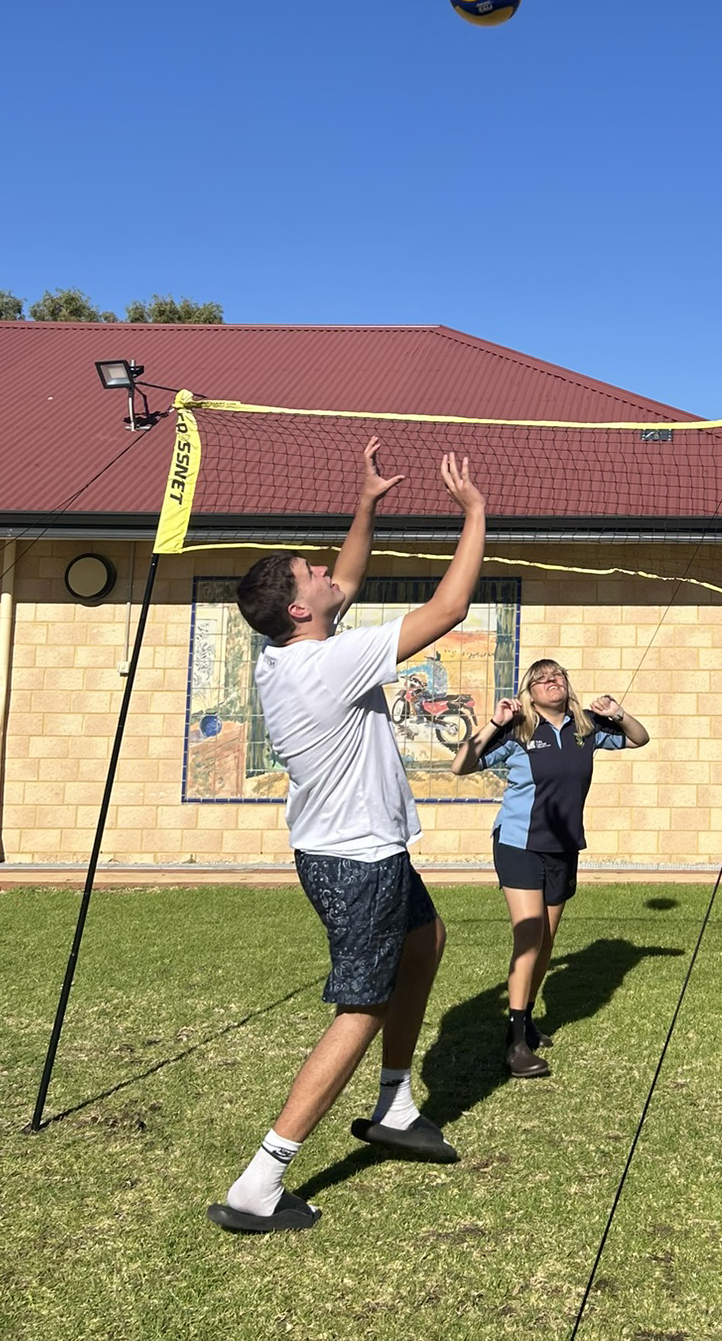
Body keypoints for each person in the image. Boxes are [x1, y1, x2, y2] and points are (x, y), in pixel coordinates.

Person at [208, 443, 486, 1233]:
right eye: (313, 574)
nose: (329, 574)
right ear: (300, 607)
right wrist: (474, 516)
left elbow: (350, 580)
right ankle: (259, 1182)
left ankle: (394, 1103)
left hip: (358, 851)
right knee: (359, 1007)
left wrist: (366, 503)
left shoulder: (285, 653)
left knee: (425, 940)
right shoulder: (327, 664)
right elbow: (449, 611)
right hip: (355, 860)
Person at [452, 659, 649, 1077]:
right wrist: (492, 722)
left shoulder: (587, 728)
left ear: (566, 685)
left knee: (546, 942)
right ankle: (514, 1041)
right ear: (530, 692)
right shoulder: (518, 730)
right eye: (539, 679)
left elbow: (639, 738)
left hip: (563, 846)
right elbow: (461, 765)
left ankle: (526, 1021)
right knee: (529, 937)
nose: (549, 682)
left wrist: (618, 713)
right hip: (519, 844)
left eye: (556, 676)